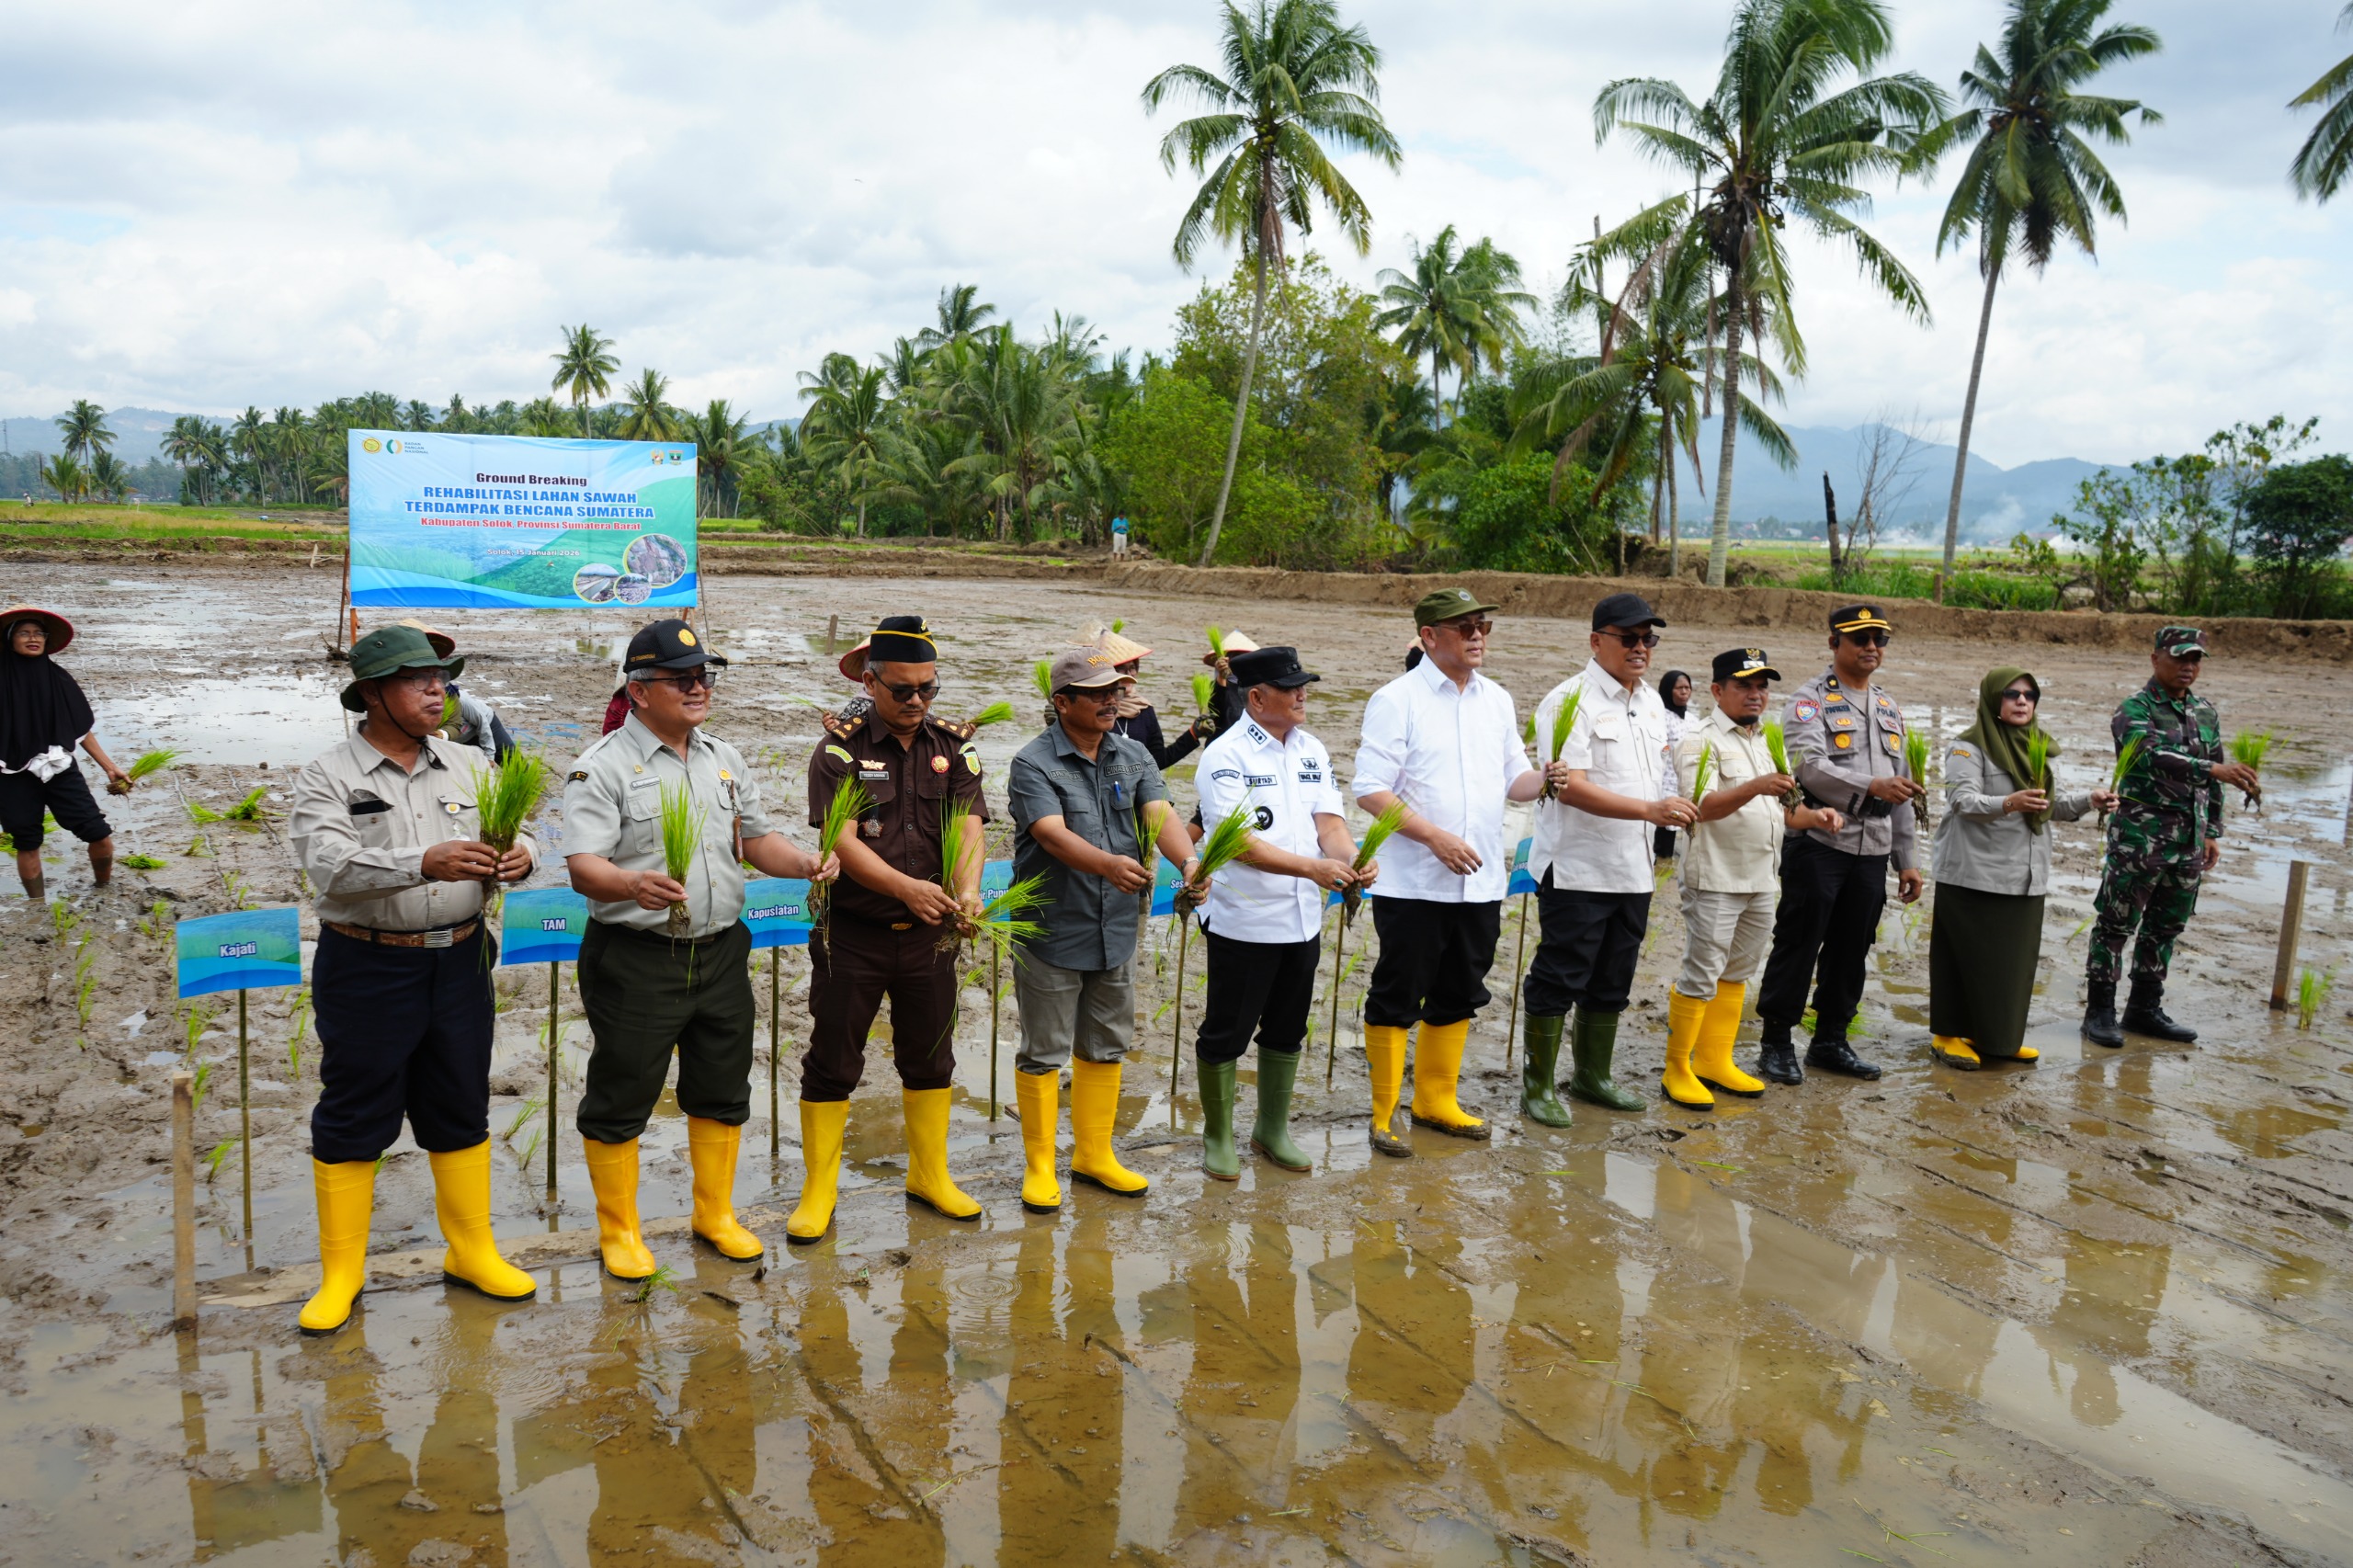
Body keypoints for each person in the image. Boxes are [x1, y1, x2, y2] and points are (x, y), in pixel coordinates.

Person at [562, 619, 837, 1279]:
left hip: (720, 953)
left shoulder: (723, 757)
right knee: (622, 1091)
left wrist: (804, 863)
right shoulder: (602, 767)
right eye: (680, 678)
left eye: (704, 676)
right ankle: (620, 1232)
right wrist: (630, 883)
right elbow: (583, 866)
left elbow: (754, 841)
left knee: (721, 1085)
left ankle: (715, 1215)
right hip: (638, 956)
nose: (698, 688)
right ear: (638, 690)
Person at [286, 625, 540, 1334]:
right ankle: (342, 1274)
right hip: (368, 964)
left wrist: (524, 855)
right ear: (372, 693)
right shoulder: (330, 774)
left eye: (443, 679)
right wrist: (421, 862)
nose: (438, 690)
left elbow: (517, 831)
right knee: (355, 1110)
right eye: (417, 679)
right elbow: (328, 866)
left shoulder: (471, 762)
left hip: (461, 958)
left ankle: (471, 1251)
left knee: (459, 1100)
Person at [791, 615, 990, 1243]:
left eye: (928, 688)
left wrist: (966, 889)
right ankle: (820, 1189)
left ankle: (930, 1175)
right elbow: (841, 841)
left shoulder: (954, 748)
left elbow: (970, 825)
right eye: (902, 690)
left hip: (930, 936)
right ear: (871, 683)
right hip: (855, 933)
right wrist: (905, 887)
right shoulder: (840, 751)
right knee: (833, 1060)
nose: (916, 701)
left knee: (931, 1057)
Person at [1005, 645, 1204, 1210]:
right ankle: (1040, 1166)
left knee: (1107, 1043)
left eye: (1114, 691)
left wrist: (1190, 863)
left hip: (1116, 925)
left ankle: (1094, 1155)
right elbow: (1050, 833)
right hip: (1051, 925)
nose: (1111, 701)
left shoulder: (1133, 754)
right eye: (1096, 694)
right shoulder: (1033, 762)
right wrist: (1108, 865)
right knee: (1044, 1050)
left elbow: (1159, 814)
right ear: (1062, 702)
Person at [1353, 587, 1550, 1153]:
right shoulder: (1397, 700)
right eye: (1465, 628)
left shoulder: (1497, 700)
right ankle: (1385, 1112)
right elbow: (1370, 788)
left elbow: (1516, 781)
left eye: (1483, 626)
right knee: (1398, 991)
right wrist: (1433, 837)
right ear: (1429, 636)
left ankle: (1435, 1100)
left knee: (1461, 990)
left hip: (1478, 881)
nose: (1478, 636)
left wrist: (1548, 778)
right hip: (1414, 881)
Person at [1191, 645, 1371, 1176]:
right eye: (1291, 688)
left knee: (1287, 1030)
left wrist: (1352, 859)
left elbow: (1330, 825)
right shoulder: (1225, 756)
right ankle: (1218, 1136)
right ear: (1256, 697)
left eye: (1303, 686)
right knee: (1227, 1032)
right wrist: (1312, 869)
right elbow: (1237, 843)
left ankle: (1271, 1130)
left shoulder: (1311, 749)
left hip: (1302, 920)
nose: (1302, 695)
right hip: (1244, 920)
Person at [1521, 594, 1695, 1124]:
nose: (1641, 648)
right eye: (1629, 638)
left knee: (1614, 978)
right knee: (1560, 975)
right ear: (1597, 641)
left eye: (1649, 639)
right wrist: (1649, 810)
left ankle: (1592, 1077)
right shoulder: (1568, 701)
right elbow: (1569, 786)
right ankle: (1538, 1087)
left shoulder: (1651, 704)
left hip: (1633, 868)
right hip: (1579, 867)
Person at [1664, 650, 1846, 1107]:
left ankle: (1715, 1060)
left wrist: (1815, 817)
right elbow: (1699, 808)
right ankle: (1677, 1068)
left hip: (1762, 879)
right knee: (1702, 973)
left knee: (1738, 972)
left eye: (1762, 686)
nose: (1756, 694)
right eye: (1744, 685)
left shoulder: (1768, 741)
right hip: (1716, 877)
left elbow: (1785, 811)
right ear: (1717, 690)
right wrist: (1755, 786)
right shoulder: (1698, 740)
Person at [1756, 605, 1925, 1084]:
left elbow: (1902, 787)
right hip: (1820, 843)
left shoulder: (1889, 707)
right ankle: (1776, 1042)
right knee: (1799, 942)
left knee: (1852, 948)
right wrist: (1871, 785)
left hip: (1873, 850)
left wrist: (1907, 860)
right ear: (1835, 644)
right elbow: (1808, 766)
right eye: (1860, 639)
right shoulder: (1809, 701)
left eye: (1879, 640)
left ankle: (1830, 1040)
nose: (1871, 647)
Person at [1930, 668, 2116, 1068]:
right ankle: (1947, 1036)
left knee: (2010, 965)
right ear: (1992, 698)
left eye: (2030, 696)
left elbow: (2053, 806)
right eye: (2011, 693)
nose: (2021, 701)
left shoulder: (2038, 747)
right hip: (1974, 873)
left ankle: (1998, 1038)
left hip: (2025, 875)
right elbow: (1962, 801)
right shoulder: (1967, 747)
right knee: (1964, 959)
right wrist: (2008, 803)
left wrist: (2091, 800)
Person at [2084, 627, 2255, 1048]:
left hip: (2188, 841)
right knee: (2116, 923)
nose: (2188, 667)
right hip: (2141, 839)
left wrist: (2211, 831)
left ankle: (2144, 1009)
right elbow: (2148, 755)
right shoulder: (2134, 709)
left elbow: (2216, 776)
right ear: (2155, 658)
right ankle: (2099, 1012)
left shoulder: (2205, 712)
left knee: (2166, 927)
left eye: (2195, 659)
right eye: (2180, 657)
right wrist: (2212, 769)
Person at [0, 605, 129, 900]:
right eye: (24, 633)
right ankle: (37, 907)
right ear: (10, 639)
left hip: (58, 766)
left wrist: (109, 767)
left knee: (98, 832)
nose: (33, 638)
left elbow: (79, 729)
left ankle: (104, 891)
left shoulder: (58, 678)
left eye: (39, 633)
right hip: (11, 773)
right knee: (27, 842)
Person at [1086, 622, 1218, 770]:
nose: (1129, 675)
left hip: (1135, 784)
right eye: (1121, 669)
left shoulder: (1144, 709)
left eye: (1132, 668)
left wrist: (1193, 733)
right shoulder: (1095, 706)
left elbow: (1158, 761)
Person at [1653, 668, 1692, 861]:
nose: (1684, 692)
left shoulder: (1692, 720)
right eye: (1679, 688)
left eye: (1687, 688)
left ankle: (1668, 859)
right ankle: (1660, 859)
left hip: (1683, 781)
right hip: (1664, 780)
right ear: (1668, 690)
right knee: (1663, 824)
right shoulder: (1660, 718)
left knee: (1679, 823)